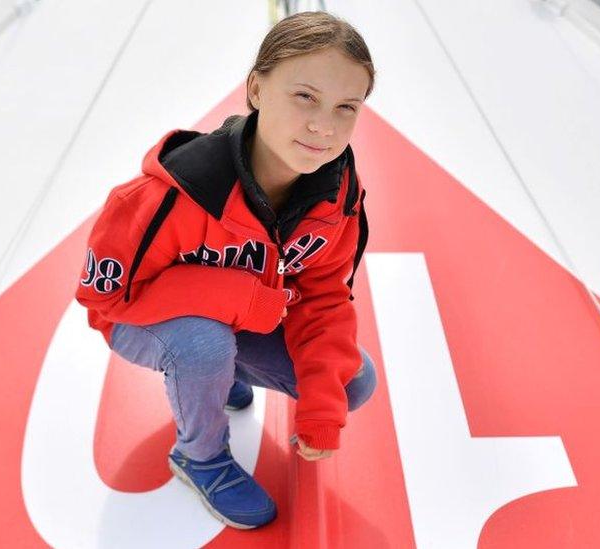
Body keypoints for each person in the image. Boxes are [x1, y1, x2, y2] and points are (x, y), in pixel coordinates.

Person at [75, 11, 377, 530]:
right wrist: (237, 299)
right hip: (141, 321)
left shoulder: (337, 198)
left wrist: (321, 411)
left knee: (352, 384)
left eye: (345, 106)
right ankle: (200, 455)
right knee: (202, 344)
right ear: (256, 89)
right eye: (304, 96)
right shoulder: (166, 195)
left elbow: (324, 299)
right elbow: (105, 301)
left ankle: (223, 372)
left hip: (242, 321)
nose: (323, 126)